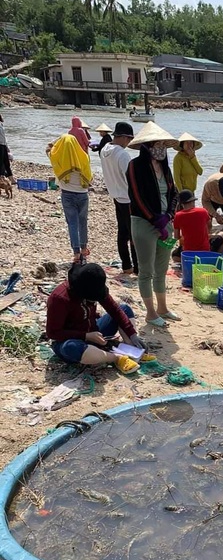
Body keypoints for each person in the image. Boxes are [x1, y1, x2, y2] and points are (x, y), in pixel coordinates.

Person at [46, 262, 148, 375]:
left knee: (124, 309)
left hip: (94, 331)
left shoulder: (95, 288)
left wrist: (132, 335)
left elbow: (115, 310)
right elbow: (53, 333)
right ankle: (116, 358)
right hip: (71, 340)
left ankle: (132, 349)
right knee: (71, 348)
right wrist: (86, 336)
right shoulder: (59, 299)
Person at [127, 121, 180, 327]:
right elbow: (137, 197)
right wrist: (154, 219)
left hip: (164, 222)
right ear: (147, 147)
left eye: (163, 146)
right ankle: (150, 312)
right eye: (157, 145)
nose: (161, 149)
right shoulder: (135, 166)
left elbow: (174, 193)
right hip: (143, 223)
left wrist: (169, 215)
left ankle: (162, 308)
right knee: (146, 270)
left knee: (162, 268)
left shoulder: (165, 168)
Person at [48, 133, 93, 265]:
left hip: (67, 194)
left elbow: (48, 149)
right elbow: (89, 176)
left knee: (72, 223)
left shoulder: (58, 159)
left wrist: (56, 143)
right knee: (83, 222)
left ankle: (76, 253)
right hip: (83, 194)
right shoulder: (83, 157)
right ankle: (84, 249)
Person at [100, 121, 138, 276]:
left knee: (122, 233)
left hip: (115, 195)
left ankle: (126, 265)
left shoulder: (104, 150)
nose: (128, 143)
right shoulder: (122, 154)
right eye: (128, 139)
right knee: (134, 234)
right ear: (122, 137)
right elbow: (132, 178)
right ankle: (137, 267)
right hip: (127, 198)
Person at [173, 188, 223, 253]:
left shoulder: (177, 216)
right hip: (205, 250)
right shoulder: (203, 211)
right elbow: (209, 226)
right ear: (192, 201)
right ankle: (217, 256)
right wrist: (205, 234)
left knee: (174, 255)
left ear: (181, 204)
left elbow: (176, 236)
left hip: (188, 251)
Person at [0, 114, 14, 183]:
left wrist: (7, 146)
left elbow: (4, 137)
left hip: (3, 145)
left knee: (6, 162)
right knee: (1, 163)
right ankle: (2, 178)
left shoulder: (1, 124)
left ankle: (12, 179)